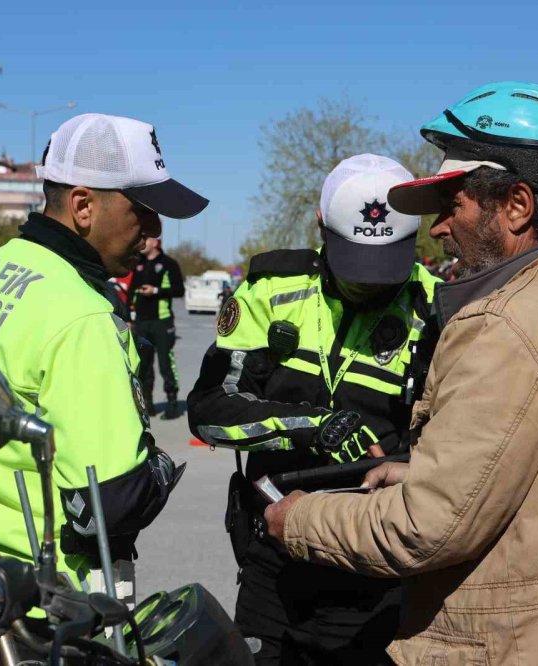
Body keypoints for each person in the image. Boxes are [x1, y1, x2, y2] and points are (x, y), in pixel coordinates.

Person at [264, 82, 538, 665]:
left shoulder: (505, 324)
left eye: (452, 205)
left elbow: (426, 527)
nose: (437, 228)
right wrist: (426, 472)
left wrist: (300, 519)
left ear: (516, 206)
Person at [0, 113, 205, 616]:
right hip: (50, 610)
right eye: (144, 210)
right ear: (84, 205)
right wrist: (159, 468)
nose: (154, 230)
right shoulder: (81, 313)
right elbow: (108, 504)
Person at [188, 154, 441, 665]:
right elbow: (210, 410)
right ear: (321, 226)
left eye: (387, 261)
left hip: (379, 566)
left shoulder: (438, 307)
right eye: (356, 264)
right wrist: (312, 427)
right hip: (273, 561)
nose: (370, 282)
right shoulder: (269, 289)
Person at [128, 237, 186, 419]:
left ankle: (172, 403)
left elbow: (179, 290)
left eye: (147, 239)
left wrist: (156, 291)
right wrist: (129, 316)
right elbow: (131, 290)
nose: (143, 241)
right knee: (144, 366)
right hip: (142, 322)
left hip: (162, 322)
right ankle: (148, 404)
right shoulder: (138, 262)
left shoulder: (169, 264)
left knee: (165, 364)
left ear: (156, 242)